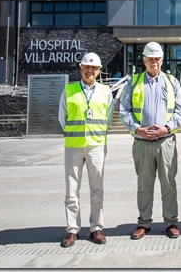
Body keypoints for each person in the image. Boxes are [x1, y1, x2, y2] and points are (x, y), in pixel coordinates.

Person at [119, 41, 181, 239]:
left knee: (169, 184)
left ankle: (171, 222)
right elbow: (124, 110)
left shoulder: (172, 82)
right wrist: (138, 129)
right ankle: (144, 223)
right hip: (142, 142)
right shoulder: (134, 82)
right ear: (144, 60)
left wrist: (165, 128)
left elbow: (180, 112)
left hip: (165, 141)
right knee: (144, 184)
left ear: (162, 60)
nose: (154, 62)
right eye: (150, 59)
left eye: (157, 58)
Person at [58, 52, 114, 248]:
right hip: (73, 146)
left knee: (97, 189)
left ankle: (96, 228)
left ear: (99, 71)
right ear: (81, 69)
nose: (90, 70)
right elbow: (62, 117)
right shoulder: (69, 90)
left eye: (94, 68)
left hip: (96, 146)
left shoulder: (106, 91)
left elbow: (108, 118)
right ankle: (72, 230)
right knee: (71, 190)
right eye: (86, 67)